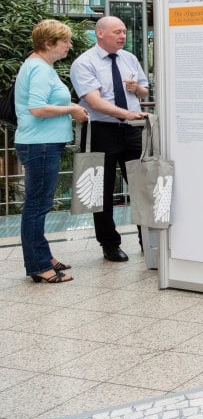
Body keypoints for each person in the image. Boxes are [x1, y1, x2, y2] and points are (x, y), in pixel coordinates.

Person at [13, 20, 89, 283]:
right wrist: (72, 109)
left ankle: (44, 257)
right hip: (40, 144)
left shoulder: (38, 65)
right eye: (64, 41)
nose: (69, 45)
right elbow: (37, 109)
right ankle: (38, 266)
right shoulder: (40, 69)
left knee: (38, 204)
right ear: (48, 44)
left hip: (40, 143)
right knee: (37, 206)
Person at [70, 16, 148, 262]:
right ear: (100, 33)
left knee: (141, 186)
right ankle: (109, 244)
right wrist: (126, 113)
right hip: (101, 130)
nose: (123, 36)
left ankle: (147, 240)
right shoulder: (84, 63)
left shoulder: (129, 58)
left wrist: (137, 89)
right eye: (117, 32)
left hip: (132, 130)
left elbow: (145, 89)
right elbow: (93, 102)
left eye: (124, 31)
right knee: (101, 191)